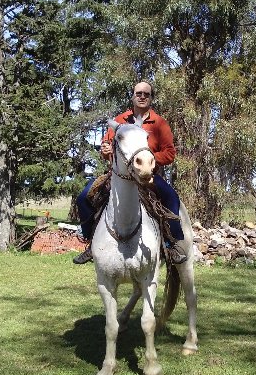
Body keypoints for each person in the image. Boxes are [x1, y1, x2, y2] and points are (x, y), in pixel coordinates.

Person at [73, 81, 187, 265]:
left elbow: (170, 153)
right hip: (118, 175)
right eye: (138, 93)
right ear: (132, 96)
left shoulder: (160, 123)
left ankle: (171, 245)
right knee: (83, 197)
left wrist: (148, 160)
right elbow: (106, 148)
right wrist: (105, 150)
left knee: (171, 198)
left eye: (146, 94)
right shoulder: (119, 121)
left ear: (151, 98)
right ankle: (90, 241)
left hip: (147, 176)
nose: (142, 96)